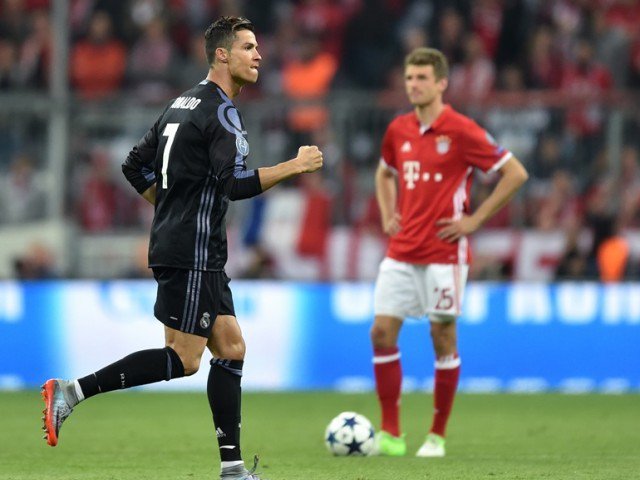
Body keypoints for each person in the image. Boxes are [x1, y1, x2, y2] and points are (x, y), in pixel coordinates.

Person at [41, 16, 323, 480]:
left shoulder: (181, 102)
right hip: (191, 250)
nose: (258, 56)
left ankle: (232, 469)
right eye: (249, 47)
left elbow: (135, 166)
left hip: (193, 245)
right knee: (185, 359)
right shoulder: (221, 112)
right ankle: (71, 392)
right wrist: (294, 165)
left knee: (231, 347)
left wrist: (172, 210)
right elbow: (232, 185)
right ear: (222, 55)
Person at [370, 47, 528, 458]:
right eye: (409, 78)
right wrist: (389, 213)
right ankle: (391, 434)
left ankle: (436, 436)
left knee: (442, 337)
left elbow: (515, 173)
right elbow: (384, 172)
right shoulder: (399, 129)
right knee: (381, 333)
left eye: (422, 78)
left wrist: (475, 221)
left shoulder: (461, 130)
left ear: (441, 83)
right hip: (402, 251)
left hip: (444, 255)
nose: (414, 85)